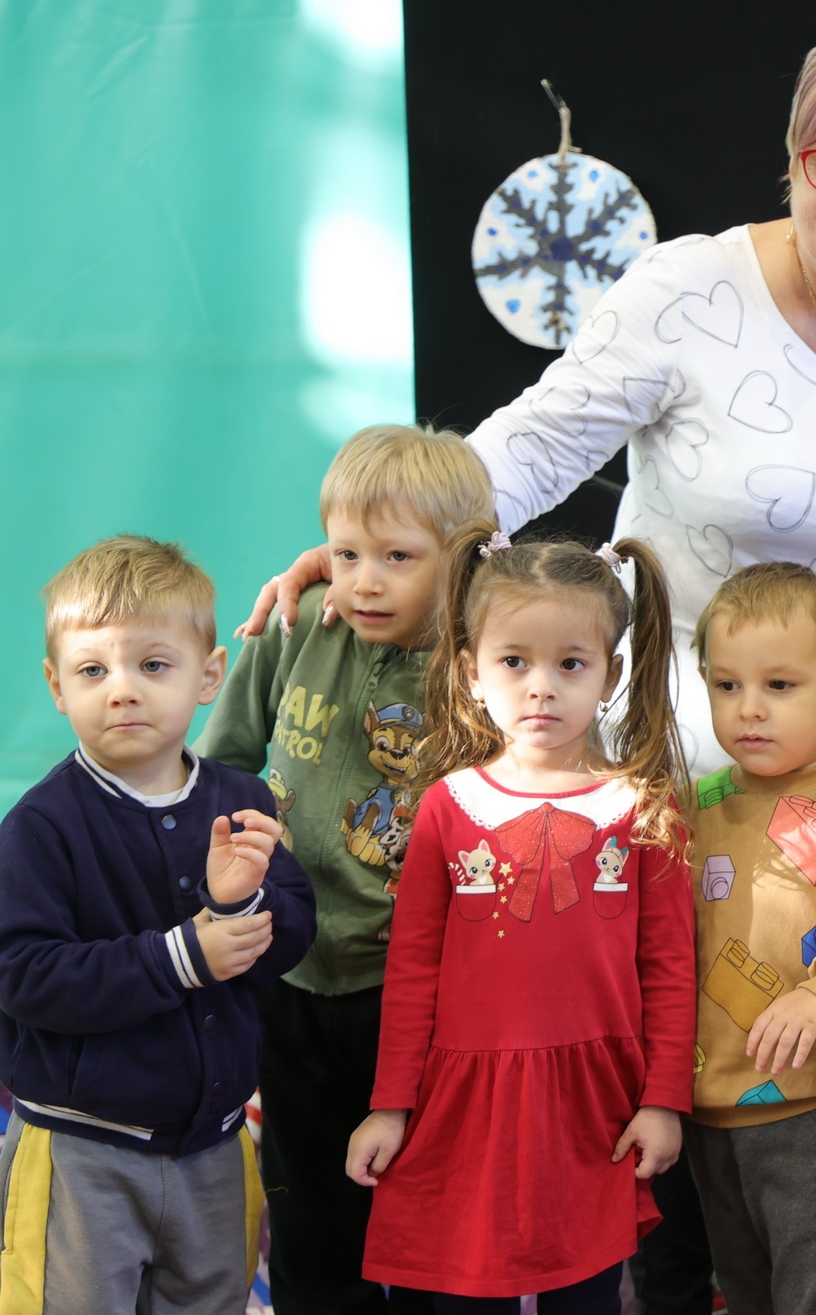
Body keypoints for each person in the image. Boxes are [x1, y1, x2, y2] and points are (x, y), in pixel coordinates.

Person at [237, 26, 816, 774]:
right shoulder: (688, 291)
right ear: (794, 166)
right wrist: (388, 538)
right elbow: (534, 447)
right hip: (669, 778)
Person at [344, 528, 696, 1310]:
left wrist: (663, 1099)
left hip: (595, 1105)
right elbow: (412, 969)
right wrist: (389, 1104)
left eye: (570, 663)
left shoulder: (643, 807)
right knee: (466, 1292)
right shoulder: (447, 806)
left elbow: (670, 966)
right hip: (465, 1101)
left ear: (609, 675)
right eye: (514, 661)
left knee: (586, 1292)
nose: (541, 687)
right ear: (472, 672)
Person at [197, 424, 494, 1315]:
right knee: (310, 1213)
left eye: (398, 557)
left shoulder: (484, 665)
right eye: (347, 552)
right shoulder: (297, 626)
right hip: (287, 973)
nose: (365, 580)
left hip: (412, 992)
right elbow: (224, 765)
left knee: (422, 1211)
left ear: (461, 559)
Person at [0, 537, 315, 1310]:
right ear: (56, 685)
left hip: (214, 1142)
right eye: (92, 671)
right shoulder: (40, 826)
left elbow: (295, 930)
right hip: (83, 1147)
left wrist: (241, 907)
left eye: (152, 664)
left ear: (208, 675)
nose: (122, 691)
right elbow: (23, 976)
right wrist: (184, 954)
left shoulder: (242, 798)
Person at [683, 562, 816, 1314]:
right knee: (743, 1295)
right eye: (726, 684)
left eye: (779, 685)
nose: (749, 709)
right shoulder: (694, 805)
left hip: (811, 1105)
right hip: (706, 1109)